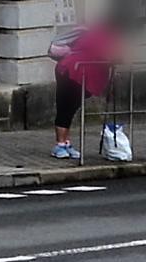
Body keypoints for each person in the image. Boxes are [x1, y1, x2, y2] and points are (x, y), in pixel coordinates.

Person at [48, 10, 119, 160]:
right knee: (65, 107)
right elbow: (107, 54)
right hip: (70, 73)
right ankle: (60, 145)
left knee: (71, 108)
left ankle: (66, 143)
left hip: (80, 76)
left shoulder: (105, 36)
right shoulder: (96, 36)